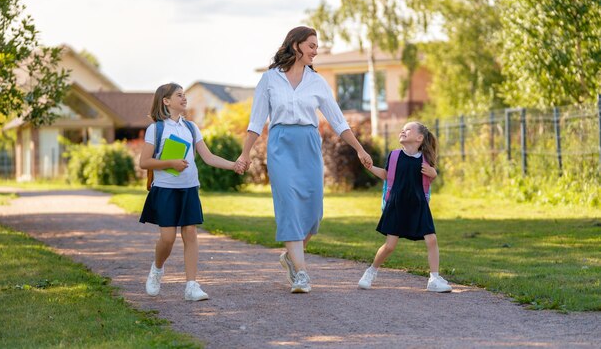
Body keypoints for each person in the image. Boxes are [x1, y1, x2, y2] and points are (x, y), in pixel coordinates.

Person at [235, 26, 373, 294]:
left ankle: (290, 257)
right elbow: (256, 120)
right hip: (281, 144)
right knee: (289, 206)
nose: (315, 51)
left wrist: (359, 149)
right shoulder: (270, 79)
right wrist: (245, 153)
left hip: (308, 145)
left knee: (313, 213)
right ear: (296, 45)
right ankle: (301, 274)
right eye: (311, 45)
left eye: (317, 46)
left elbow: (337, 121)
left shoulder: (317, 82)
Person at [139, 82, 244, 301]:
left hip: (189, 188)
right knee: (167, 239)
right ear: (166, 101)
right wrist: (171, 163)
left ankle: (191, 286)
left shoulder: (191, 128)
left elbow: (208, 157)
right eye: (179, 95)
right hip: (165, 190)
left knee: (191, 234)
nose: (184, 98)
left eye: (184, 94)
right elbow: (144, 162)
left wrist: (233, 165)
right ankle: (157, 269)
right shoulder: (156, 129)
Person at [357, 121, 452, 293]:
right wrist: (370, 167)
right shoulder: (394, 156)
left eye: (408, 129)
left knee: (432, 240)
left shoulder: (425, 159)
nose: (403, 131)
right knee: (390, 246)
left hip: (419, 205)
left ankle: (434, 278)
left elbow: (430, 177)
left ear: (419, 138)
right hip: (397, 205)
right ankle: (371, 271)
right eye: (402, 129)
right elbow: (386, 175)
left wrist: (434, 173)